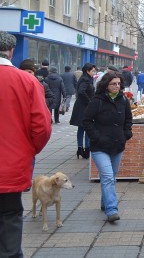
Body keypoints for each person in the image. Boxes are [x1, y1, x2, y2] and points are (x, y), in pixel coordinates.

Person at [0, 32, 52, 257]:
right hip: (10, 167)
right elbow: (42, 127)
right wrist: (28, 150)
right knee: (10, 216)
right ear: (11, 51)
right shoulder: (27, 80)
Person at [83, 72, 133, 223]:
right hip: (100, 146)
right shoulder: (97, 101)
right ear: (106, 85)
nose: (117, 86)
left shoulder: (123, 100)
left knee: (111, 177)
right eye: (113, 84)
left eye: (118, 84)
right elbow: (87, 121)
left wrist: (127, 133)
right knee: (107, 177)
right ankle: (112, 210)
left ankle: (105, 203)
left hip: (118, 144)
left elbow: (128, 119)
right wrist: (97, 137)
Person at [70, 63, 97, 159]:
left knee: (81, 128)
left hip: (81, 106)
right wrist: (90, 102)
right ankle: (86, 149)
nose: (94, 72)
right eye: (93, 71)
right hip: (84, 108)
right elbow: (81, 91)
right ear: (87, 71)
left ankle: (81, 148)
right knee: (87, 128)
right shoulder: (85, 79)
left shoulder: (85, 78)